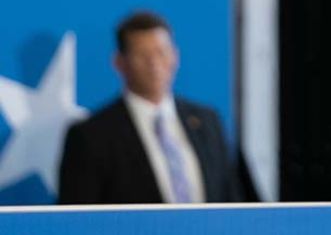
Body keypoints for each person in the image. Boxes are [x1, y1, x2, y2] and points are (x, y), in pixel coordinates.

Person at [58, 11, 242, 204]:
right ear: (120, 63)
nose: (154, 64)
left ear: (175, 56)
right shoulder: (91, 136)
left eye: (161, 52)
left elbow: (232, 198)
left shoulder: (207, 122)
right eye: (142, 55)